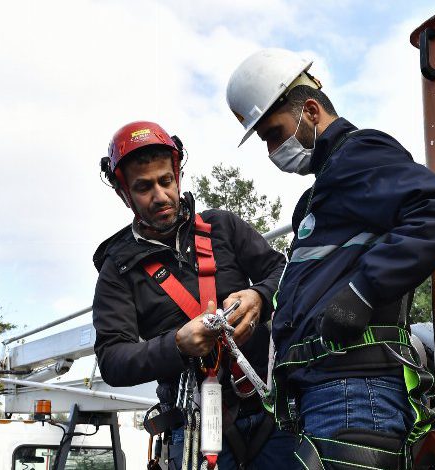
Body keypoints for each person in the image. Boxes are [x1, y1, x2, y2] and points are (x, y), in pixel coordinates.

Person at [226, 49, 435, 469]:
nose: (272, 149)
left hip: (353, 391)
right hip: (325, 392)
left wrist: (362, 292)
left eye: (274, 133)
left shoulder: (358, 153)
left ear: (310, 110)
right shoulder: (320, 194)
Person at [92, 120, 297, 470]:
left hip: (271, 414)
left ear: (178, 176)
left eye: (166, 181)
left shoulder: (223, 227)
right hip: (194, 429)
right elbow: (112, 358)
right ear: (122, 192)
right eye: (144, 187)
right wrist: (176, 344)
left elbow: (286, 274)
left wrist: (259, 297)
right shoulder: (118, 270)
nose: (160, 196)